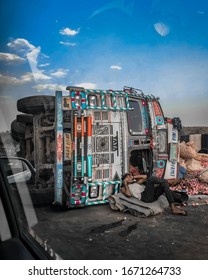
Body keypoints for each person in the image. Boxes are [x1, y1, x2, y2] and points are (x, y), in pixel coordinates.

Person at [120, 173, 187, 215]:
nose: (129, 177)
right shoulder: (123, 188)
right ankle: (169, 181)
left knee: (164, 185)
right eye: (127, 177)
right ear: (124, 180)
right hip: (145, 197)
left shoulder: (135, 184)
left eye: (130, 176)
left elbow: (145, 177)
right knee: (151, 179)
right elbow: (128, 194)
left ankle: (173, 208)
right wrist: (125, 183)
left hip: (151, 195)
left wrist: (133, 177)